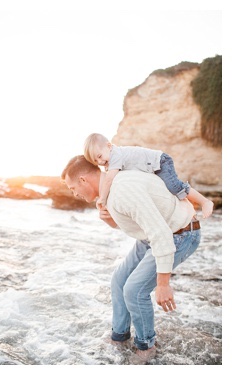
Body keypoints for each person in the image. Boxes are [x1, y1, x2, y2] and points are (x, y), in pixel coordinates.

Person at [61, 155, 201, 364]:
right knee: (119, 280)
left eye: (73, 188)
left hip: (180, 235)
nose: (74, 193)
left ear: (83, 180)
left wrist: (163, 283)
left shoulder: (121, 191)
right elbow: (138, 222)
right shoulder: (108, 192)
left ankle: (147, 345)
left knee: (134, 291)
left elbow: (161, 233)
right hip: (152, 237)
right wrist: (110, 221)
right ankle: (119, 336)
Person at [83, 133, 213, 219]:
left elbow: (109, 180)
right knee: (165, 191)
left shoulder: (115, 155)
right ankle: (188, 210)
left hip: (160, 162)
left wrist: (103, 199)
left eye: (99, 156)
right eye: (96, 161)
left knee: (174, 187)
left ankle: (204, 202)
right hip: (153, 168)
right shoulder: (110, 160)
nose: (100, 162)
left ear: (109, 146)